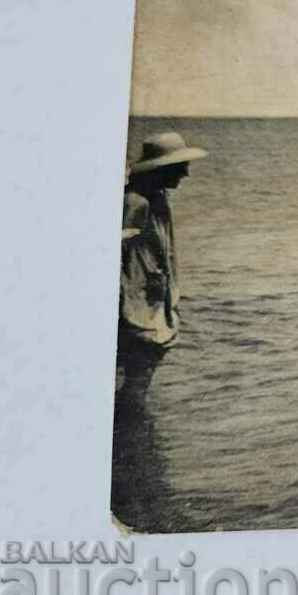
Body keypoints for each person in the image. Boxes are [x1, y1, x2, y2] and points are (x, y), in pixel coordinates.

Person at [118, 131, 207, 402]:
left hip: (149, 300)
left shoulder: (156, 198)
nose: (186, 174)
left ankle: (132, 436)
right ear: (163, 169)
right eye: (181, 167)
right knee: (137, 384)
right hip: (136, 307)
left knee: (137, 380)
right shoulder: (137, 202)